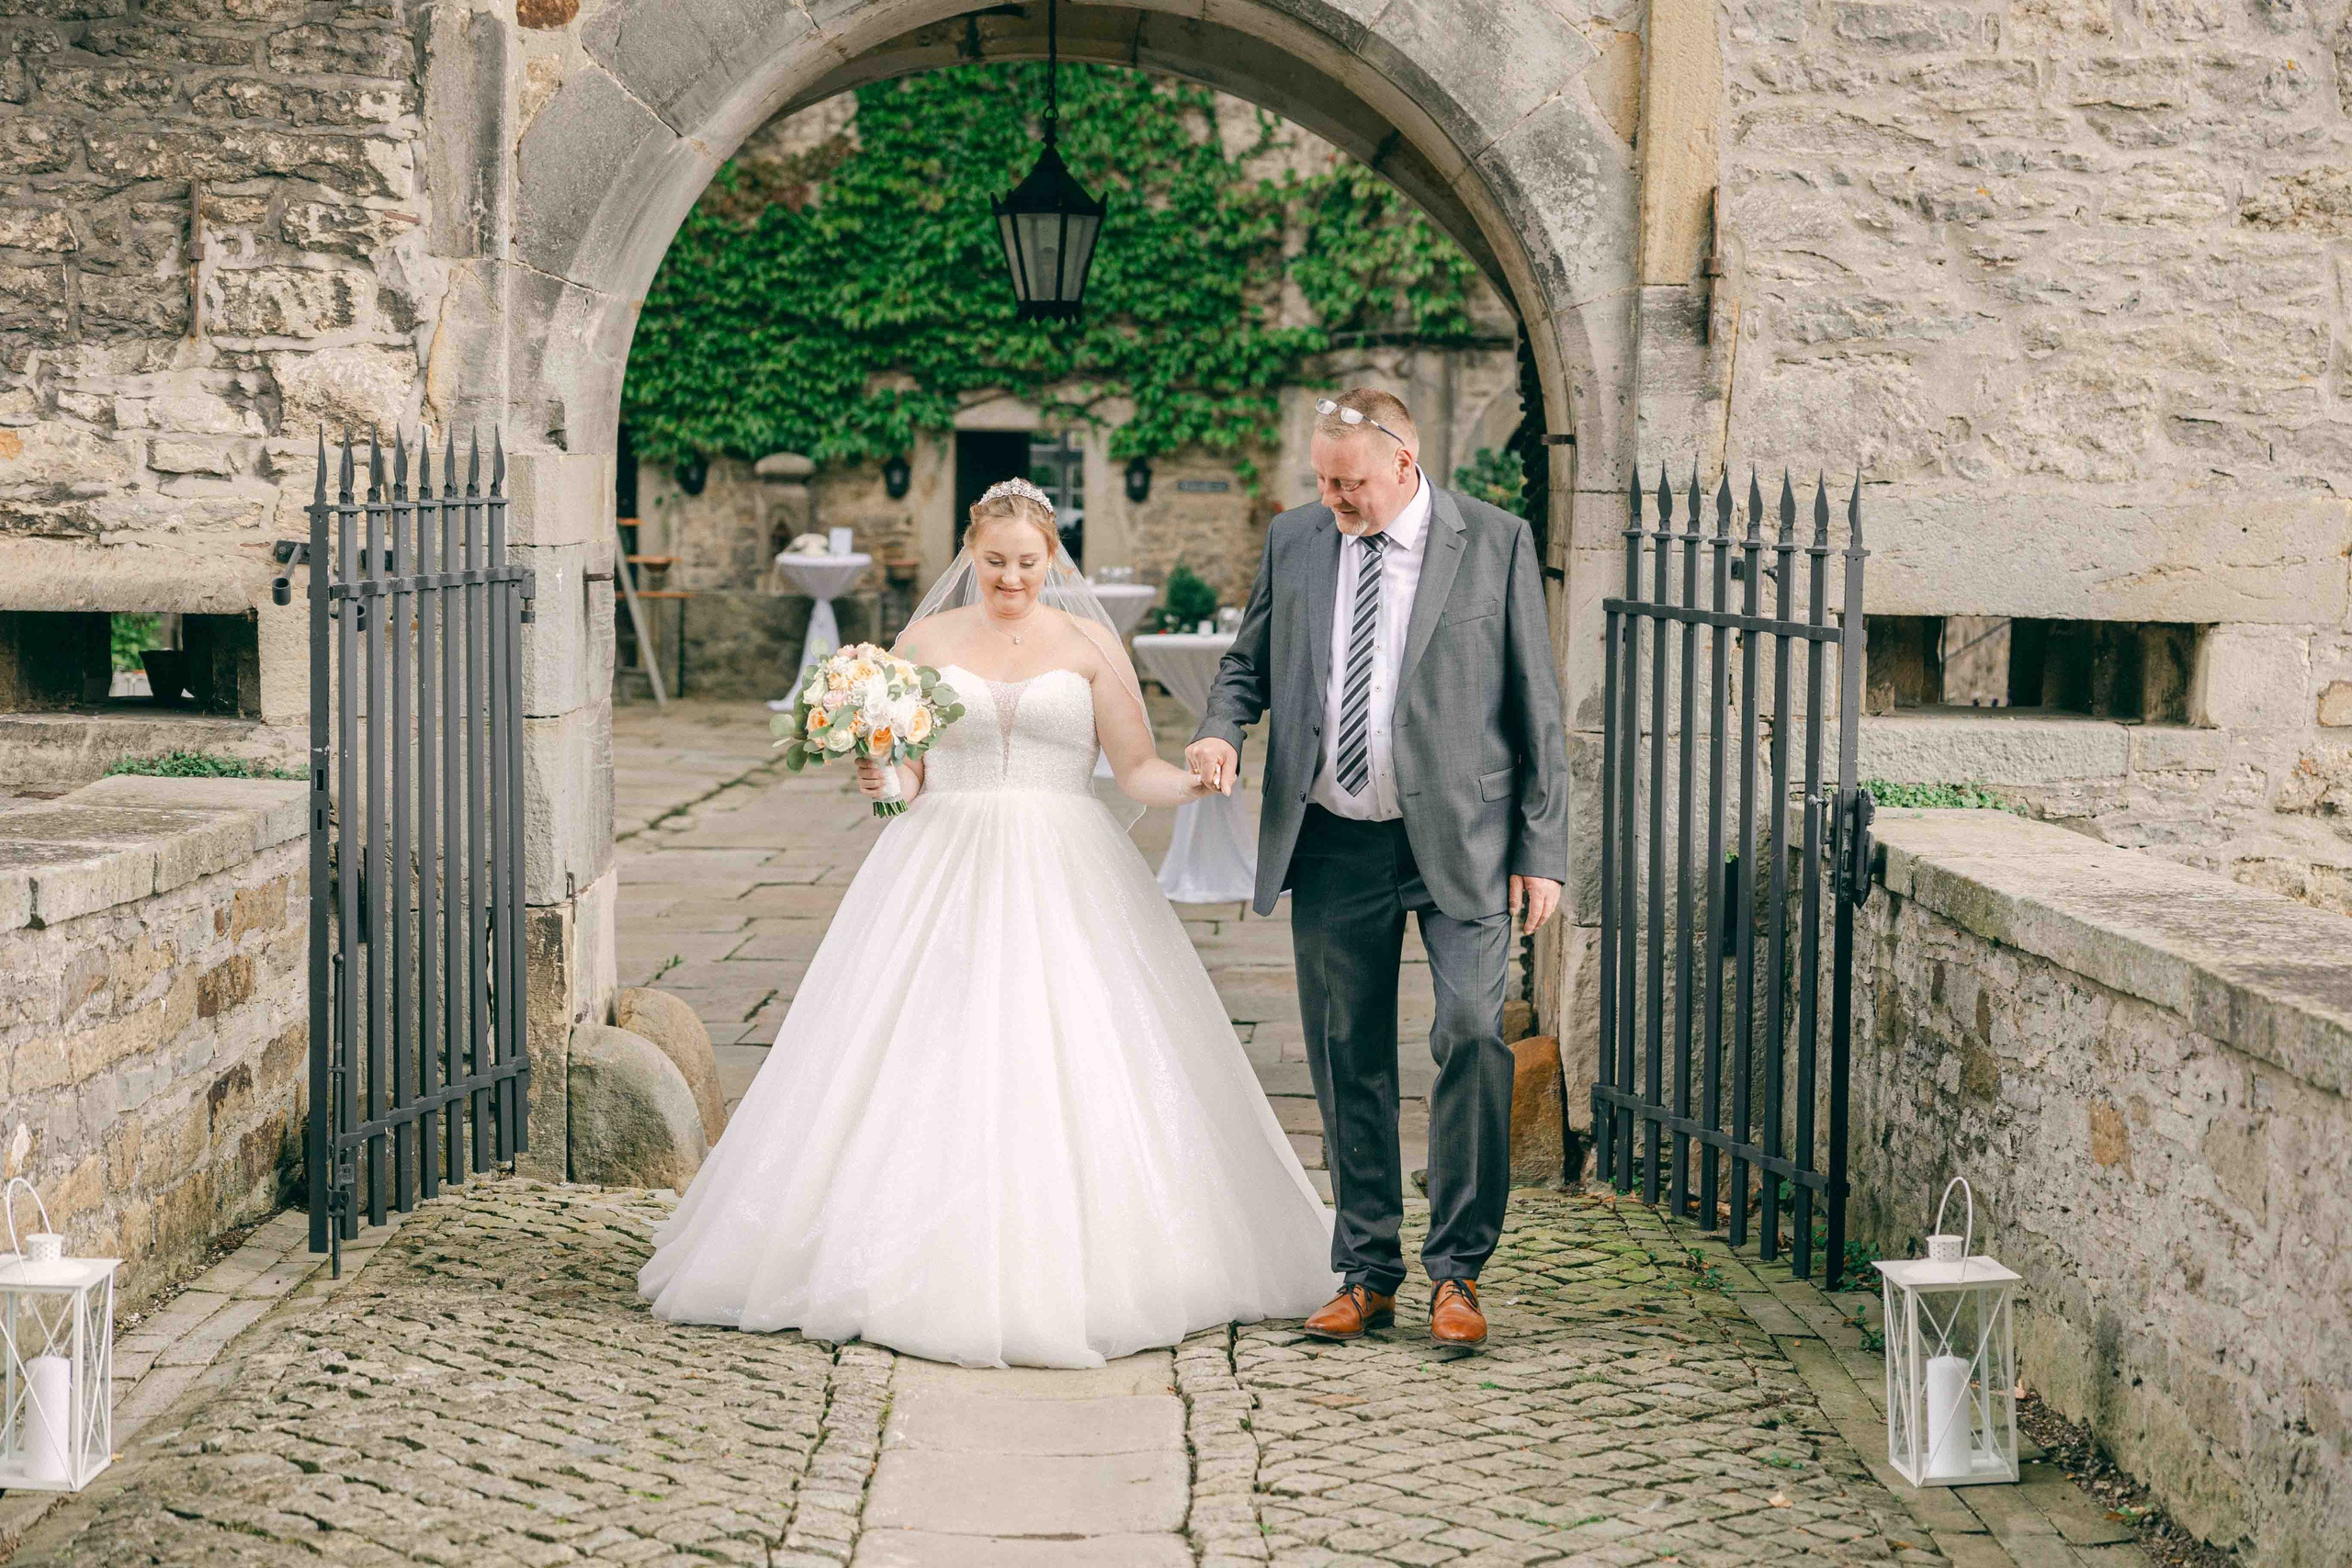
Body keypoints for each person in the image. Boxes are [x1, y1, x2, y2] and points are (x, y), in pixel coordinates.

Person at [638, 478, 1338, 1369]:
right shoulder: (925, 641)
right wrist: (882, 781)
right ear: (971, 553)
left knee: (1079, 1049)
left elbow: (1133, 771)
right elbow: (908, 786)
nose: (1010, 578)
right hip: (940, 860)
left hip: (1067, 866)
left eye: (1027, 563)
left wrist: (1199, 780)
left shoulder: (1087, 643)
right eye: (995, 561)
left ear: (1053, 559)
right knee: (920, 1050)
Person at [1186, 388, 1568, 1350]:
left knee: (1472, 1032)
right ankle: (1367, 1272)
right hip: (1333, 837)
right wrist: (1221, 729)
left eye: (1347, 483)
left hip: (1463, 836)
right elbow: (1247, 661)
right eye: (1320, 480)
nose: (1333, 499)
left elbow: (1538, 705)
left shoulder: (1493, 540)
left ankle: (1459, 1272)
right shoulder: (1298, 539)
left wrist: (1541, 847)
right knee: (1343, 1052)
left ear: (1404, 463)